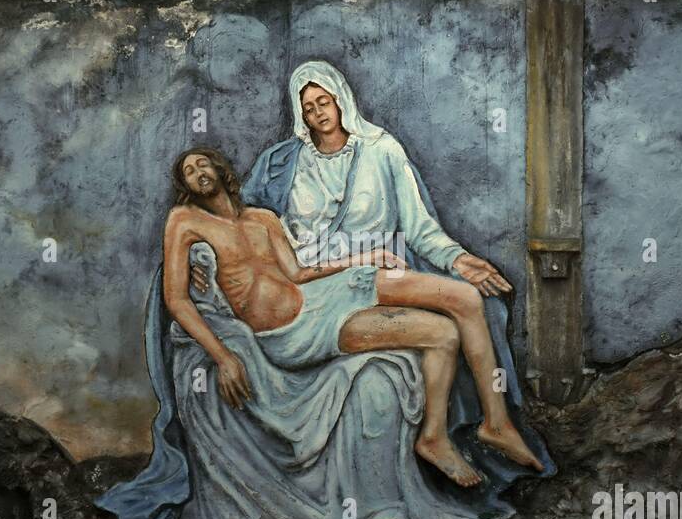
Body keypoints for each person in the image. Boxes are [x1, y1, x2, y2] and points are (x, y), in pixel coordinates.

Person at [165, 147, 542, 487]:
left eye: (202, 163)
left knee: (463, 295)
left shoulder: (263, 219)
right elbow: (176, 299)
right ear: (185, 186)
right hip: (298, 331)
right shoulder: (184, 221)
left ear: (218, 168)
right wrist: (224, 357)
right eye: (188, 170)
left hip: (325, 292)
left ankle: (497, 424)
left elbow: (298, 273)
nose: (197, 170)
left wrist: (364, 257)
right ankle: (434, 439)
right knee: (443, 333)